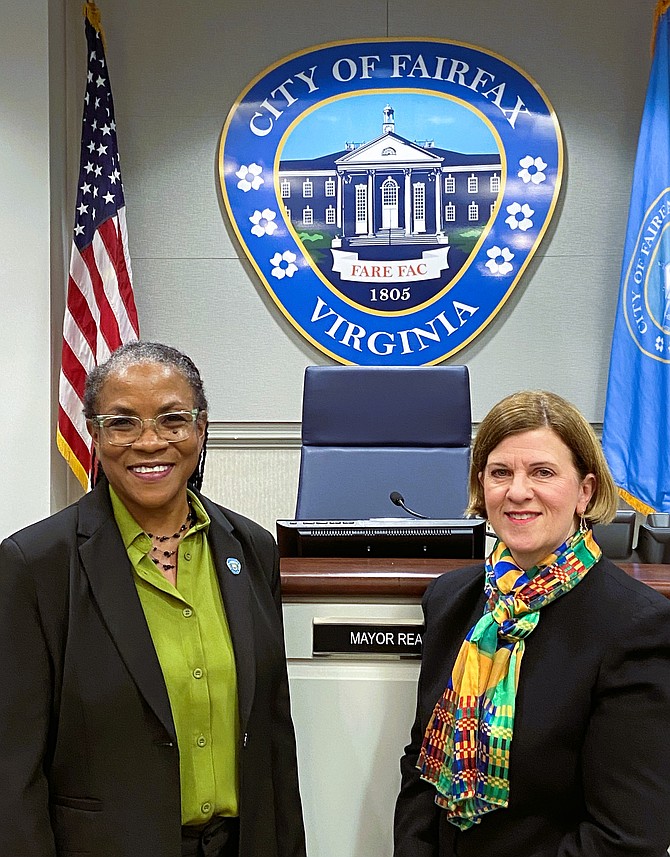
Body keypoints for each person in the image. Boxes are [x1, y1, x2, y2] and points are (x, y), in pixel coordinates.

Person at [0, 341, 306, 857]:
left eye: (173, 420)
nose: (150, 442)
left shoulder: (251, 550)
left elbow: (274, 740)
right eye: (122, 423)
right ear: (94, 436)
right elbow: (13, 769)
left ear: (201, 430)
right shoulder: (35, 566)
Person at [394, 390, 670, 857]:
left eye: (542, 472)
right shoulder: (452, 600)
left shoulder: (635, 626)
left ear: (585, 491)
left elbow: (627, 838)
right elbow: (421, 768)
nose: (518, 491)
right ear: (482, 487)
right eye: (501, 473)